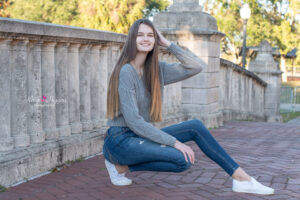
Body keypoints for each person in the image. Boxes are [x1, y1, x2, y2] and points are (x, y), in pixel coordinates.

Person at [103, 18, 274, 195]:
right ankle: (119, 165)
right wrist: (176, 143)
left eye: (150, 35)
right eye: (140, 35)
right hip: (120, 139)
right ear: (132, 39)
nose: (145, 39)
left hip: (139, 136)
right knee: (182, 159)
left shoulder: (157, 70)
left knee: (195, 127)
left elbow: (196, 66)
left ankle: (241, 178)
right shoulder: (126, 72)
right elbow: (134, 122)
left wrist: (168, 44)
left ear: (156, 39)